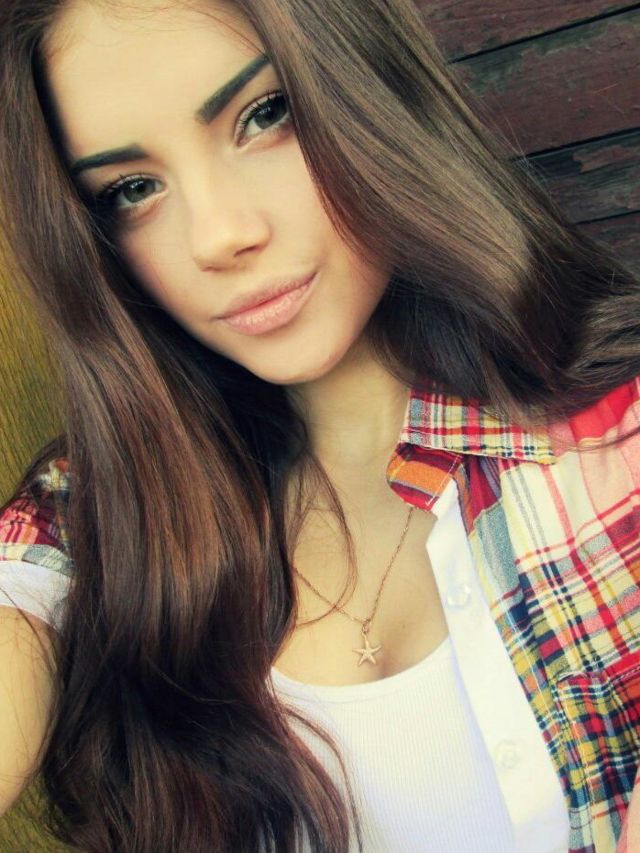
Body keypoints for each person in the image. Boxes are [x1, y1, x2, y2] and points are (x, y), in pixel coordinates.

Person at [0, 0, 638, 850]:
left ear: (366, 88)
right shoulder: (107, 508)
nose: (220, 235)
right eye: (132, 189)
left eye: (264, 114)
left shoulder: (616, 444)